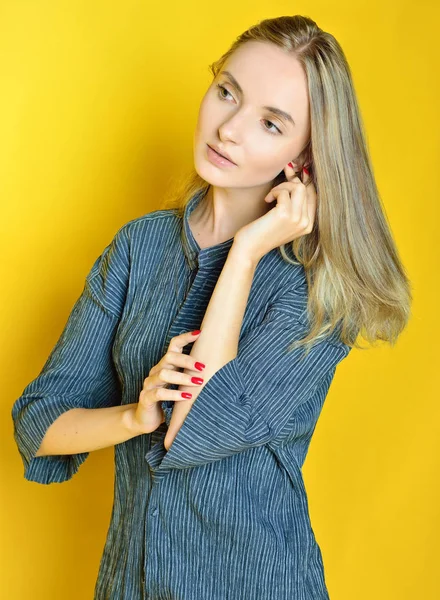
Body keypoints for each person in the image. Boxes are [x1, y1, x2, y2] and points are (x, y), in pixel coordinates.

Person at [11, 14, 412, 600]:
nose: (228, 129)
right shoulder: (139, 248)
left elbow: (195, 426)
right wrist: (134, 417)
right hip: (131, 582)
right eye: (227, 92)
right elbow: (38, 422)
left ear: (303, 160)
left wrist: (246, 251)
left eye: (271, 124)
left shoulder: (317, 289)